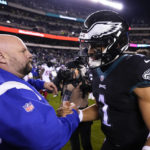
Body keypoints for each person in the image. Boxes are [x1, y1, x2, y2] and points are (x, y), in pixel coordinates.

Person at [58, 10, 150, 150]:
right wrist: (79, 114)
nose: (89, 51)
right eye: (89, 45)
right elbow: (105, 107)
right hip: (111, 144)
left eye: (96, 45)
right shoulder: (97, 70)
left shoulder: (136, 68)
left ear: (117, 43)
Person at [0, 34, 80, 150]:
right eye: (23, 51)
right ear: (2, 57)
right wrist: (72, 116)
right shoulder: (6, 91)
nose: (30, 55)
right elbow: (45, 139)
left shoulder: (7, 78)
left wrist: (41, 84)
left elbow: (24, 81)